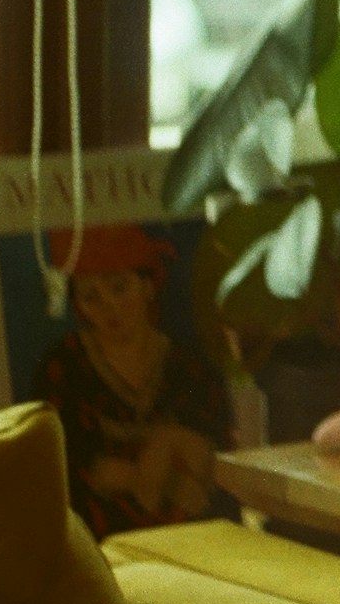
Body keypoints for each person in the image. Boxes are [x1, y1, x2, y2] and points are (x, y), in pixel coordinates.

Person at [36, 223, 237, 537]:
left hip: (194, 534)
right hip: (101, 539)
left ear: (148, 287)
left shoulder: (189, 364)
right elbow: (64, 466)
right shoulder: (64, 366)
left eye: (119, 288)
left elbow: (219, 456)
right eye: (91, 296)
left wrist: (171, 444)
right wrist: (161, 482)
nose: (110, 307)